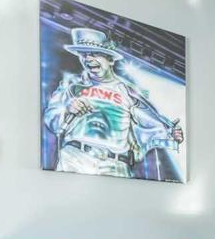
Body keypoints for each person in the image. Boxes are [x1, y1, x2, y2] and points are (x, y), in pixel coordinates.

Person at [43, 28, 184, 179]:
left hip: (115, 164)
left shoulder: (128, 92)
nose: (88, 59)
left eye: (94, 54)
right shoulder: (70, 85)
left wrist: (171, 134)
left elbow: (151, 123)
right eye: (83, 54)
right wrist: (68, 108)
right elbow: (51, 116)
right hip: (75, 158)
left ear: (110, 59)